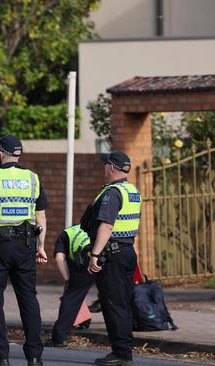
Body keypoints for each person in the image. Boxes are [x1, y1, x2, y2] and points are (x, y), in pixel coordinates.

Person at [0, 135, 48, 366]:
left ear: (1, 153)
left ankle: (0, 355)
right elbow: (41, 217)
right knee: (28, 298)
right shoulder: (32, 179)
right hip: (26, 246)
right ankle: (34, 356)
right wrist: (41, 247)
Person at [87, 151, 141, 366]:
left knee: (113, 304)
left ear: (111, 167)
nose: (103, 168)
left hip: (112, 255)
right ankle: (123, 349)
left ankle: (121, 353)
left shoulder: (112, 193)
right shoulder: (132, 190)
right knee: (123, 302)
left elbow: (107, 225)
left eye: (105, 164)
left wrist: (95, 255)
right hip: (126, 251)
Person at [46, 224, 95, 347]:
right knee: (113, 298)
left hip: (83, 263)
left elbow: (59, 258)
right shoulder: (98, 227)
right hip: (104, 258)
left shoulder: (67, 233)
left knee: (72, 297)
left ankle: (59, 338)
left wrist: (68, 279)